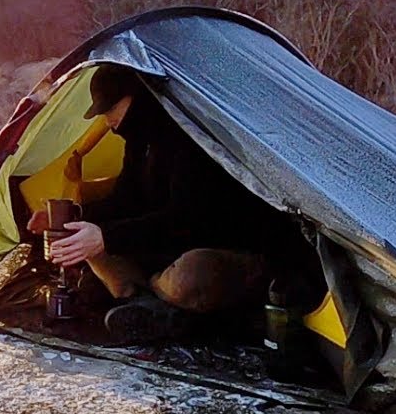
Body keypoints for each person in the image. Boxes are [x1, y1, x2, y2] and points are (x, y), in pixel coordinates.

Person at [27, 64, 292, 341]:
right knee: (89, 241)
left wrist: (107, 236)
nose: (107, 121)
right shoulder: (139, 140)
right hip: (166, 252)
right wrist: (73, 216)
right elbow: (125, 200)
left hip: (223, 251)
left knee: (191, 276)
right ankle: (154, 305)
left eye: (110, 109)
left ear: (136, 97)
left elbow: (186, 220)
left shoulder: (188, 136)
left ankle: (146, 298)